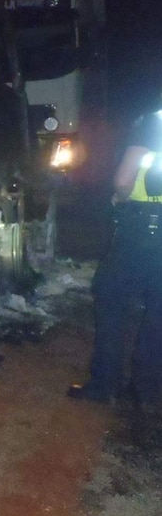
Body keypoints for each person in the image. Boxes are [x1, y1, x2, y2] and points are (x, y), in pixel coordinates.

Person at [68, 107, 162, 407]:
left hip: (142, 228)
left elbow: (124, 180)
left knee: (109, 295)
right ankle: (146, 388)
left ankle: (104, 384)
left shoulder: (153, 121)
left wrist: (118, 198)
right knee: (158, 311)